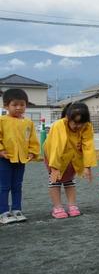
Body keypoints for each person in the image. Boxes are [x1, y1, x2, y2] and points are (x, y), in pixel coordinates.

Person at [44, 102, 96, 219]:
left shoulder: (87, 126)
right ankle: (57, 207)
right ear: (68, 118)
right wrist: (54, 168)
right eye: (75, 123)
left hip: (72, 157)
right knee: (55, 181)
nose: (78, 126)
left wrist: (87, 167)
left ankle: (72, 206)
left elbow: (88, 146)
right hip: (54, 157)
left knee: (69, 181)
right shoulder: (59, 125)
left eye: (81, 123)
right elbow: (56, 147)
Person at [0, 89, 39, 224]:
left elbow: (33, 139)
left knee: (17, 185)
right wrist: (1, 150)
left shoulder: (28, 123)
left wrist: (32, 152)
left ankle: (17, 209)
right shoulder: (2, 120)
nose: (19, 108)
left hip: (21, 159)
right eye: (15, 104)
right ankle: (3, 212)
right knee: (4, 186)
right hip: (4, 159)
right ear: (6, 106)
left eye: (22, 104)